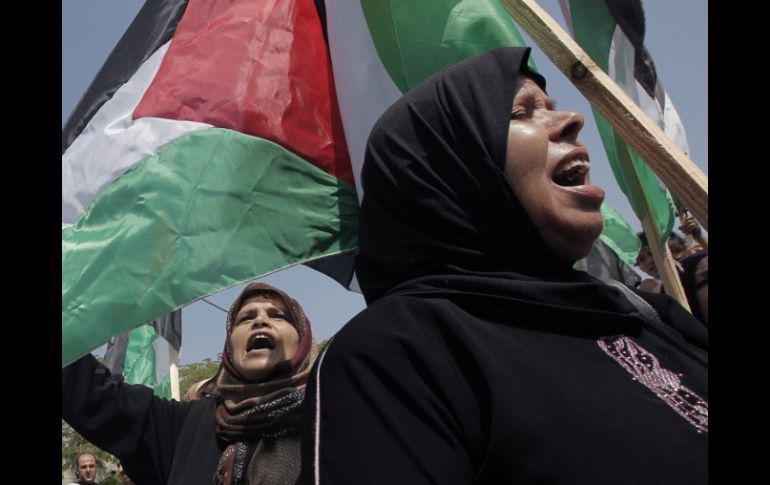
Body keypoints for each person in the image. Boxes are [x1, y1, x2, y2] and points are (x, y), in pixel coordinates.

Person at [299, 47, 707, 484]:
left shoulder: (641, 314)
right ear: (453, 169)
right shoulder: (402, 352)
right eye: (521, 112)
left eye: (549, 105)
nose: (573, 119)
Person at [63, 283, 316, 485]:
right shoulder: (186, 426)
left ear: (303, 341)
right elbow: (94, 394)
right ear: (229, 346)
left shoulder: (331, 419)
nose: (260, 321)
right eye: (246, 318)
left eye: (278, 316)